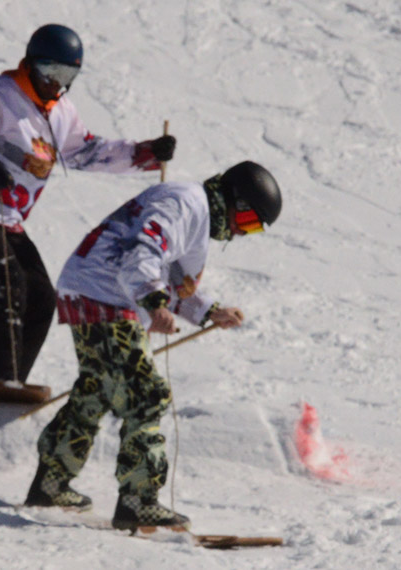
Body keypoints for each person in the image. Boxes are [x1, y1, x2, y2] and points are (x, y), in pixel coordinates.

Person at [24, 161, 283, 532]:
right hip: (106, 296)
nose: (242, 234)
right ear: (236, 203)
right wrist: (152, 300)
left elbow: (170, 283)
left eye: (254, 230)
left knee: (95, 391)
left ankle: (50, 484)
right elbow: (142, 250)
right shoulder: (186, 203)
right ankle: (138, 501)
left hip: (91, 292)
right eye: (249, 223)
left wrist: (209, 311)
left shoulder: (194, 216)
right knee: (146, 393)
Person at [0, 24, 177, 397]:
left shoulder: (61, 113)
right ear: (30, 64)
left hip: (6, 218)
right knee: (8, 286)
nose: (56, 83)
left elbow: (86, 152)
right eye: (50, 72)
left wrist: (145, 154)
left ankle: (7, 388)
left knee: (43, 298)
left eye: (67, 76)